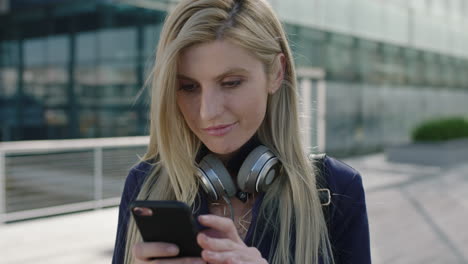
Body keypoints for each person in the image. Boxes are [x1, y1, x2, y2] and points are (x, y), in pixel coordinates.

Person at [112, 0, 371, 263]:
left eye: (231, 83)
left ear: (276, 72)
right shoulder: (145, 184)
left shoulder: (336, 190)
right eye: (189, 87)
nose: (207, 112)